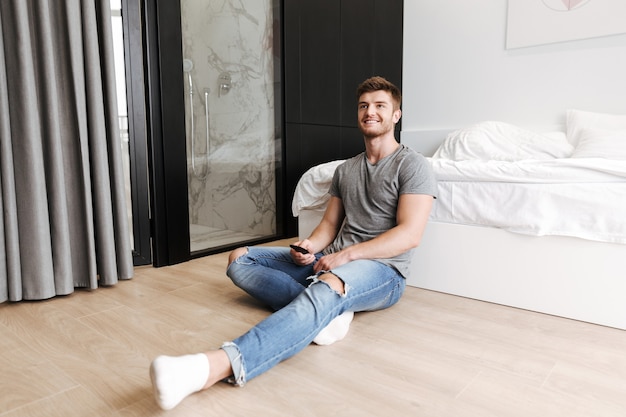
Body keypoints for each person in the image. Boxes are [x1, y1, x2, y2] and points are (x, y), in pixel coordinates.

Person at [149, 76, 438, 410]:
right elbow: (329, 226)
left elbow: (409, 235)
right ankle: (326, 312)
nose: (369, 112)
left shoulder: (412, 165)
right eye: (363, 106)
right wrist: (310, 247)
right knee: (239, 258)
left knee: (328, 284)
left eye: (379, 106)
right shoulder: (345, 170)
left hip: (384, 271)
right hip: (332, 260)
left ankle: (214, 366)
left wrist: (345, 257)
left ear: (396, 115)